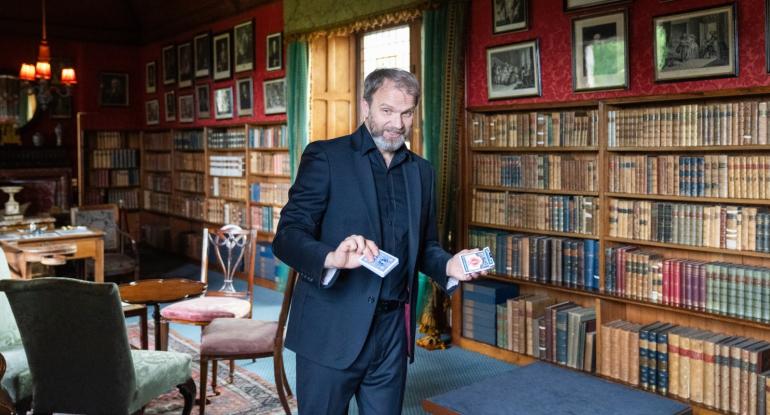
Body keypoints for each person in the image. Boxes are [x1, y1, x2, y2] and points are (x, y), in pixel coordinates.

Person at [273, 68, 485, 414]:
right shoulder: (326, 157)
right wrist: (332, 258)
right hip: (331, 328)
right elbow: (287, 237)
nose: (397, 124)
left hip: (391, 333)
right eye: (387, 111)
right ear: (365, 107)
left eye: (407, 113)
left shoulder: (422, 172)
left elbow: (424, 246)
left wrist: (448, 264)